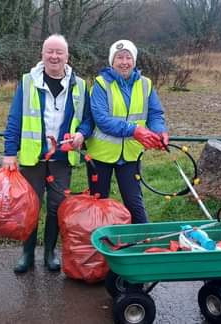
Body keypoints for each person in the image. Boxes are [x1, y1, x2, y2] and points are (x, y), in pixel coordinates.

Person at [2, 34, 92, 274]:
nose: (54, 56)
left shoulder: (80, 85)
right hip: (34, 158)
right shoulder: (28, 82)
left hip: (62, 159)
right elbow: (15, 119)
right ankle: (27, 254)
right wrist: (10, 153)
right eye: (49, 51)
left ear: (67, 56)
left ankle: (50, 252)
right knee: (30, 207)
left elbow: (87, 120)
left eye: (59, 52)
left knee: (57, 207)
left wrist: (82, 134)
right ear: (42, 55)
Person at [85, 40, 168, 224]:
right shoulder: (100, 84)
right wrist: (135, 130)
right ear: (111, 62)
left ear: (134, 60)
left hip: (131, 155)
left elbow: (155, 113)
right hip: (101, 156)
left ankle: (142, 244)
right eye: (119, 57)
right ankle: (97, 248)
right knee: (98, 203)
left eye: (128, 57)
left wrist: (159, 130)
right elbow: (102, 119)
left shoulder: (146, 84)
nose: (124, 62)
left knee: (134, 203)